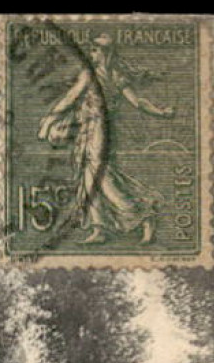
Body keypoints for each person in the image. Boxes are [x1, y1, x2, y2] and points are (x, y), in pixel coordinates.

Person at [37, 32, 176, 245]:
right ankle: (99, 228)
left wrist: (48, 121)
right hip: (89, 128)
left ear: (104, 53)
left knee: (100, 177)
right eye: (92, 49)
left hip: (99, 128)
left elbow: (70, 99)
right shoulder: (106, 75)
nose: (91, 53)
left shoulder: (95, 75)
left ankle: (143, 215)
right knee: (89, 177)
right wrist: (161, 111)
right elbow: (136, 101)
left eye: (95, 50)